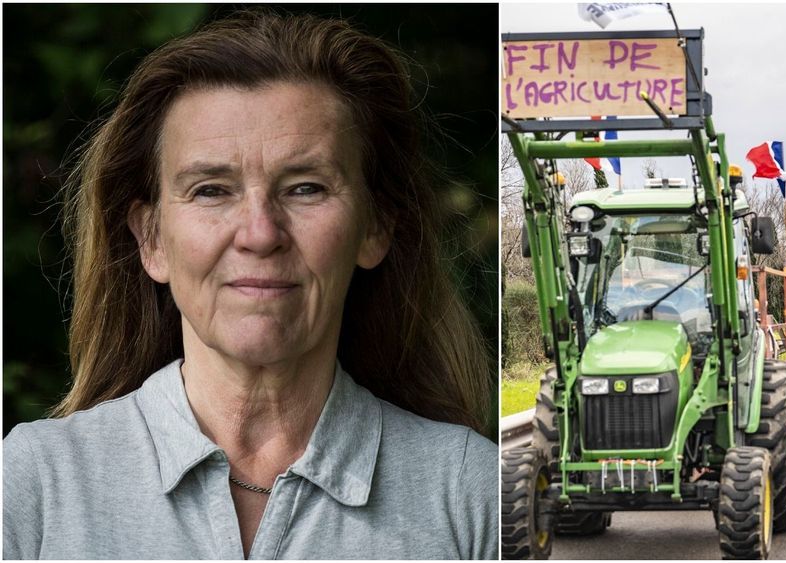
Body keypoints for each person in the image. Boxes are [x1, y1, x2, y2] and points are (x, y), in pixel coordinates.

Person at [3, 12, 497, 560]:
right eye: (212, 190)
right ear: (152, 240)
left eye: (306, 188)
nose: (260, 235)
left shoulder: (470, 494)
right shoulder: (35, 485)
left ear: (375, 227)